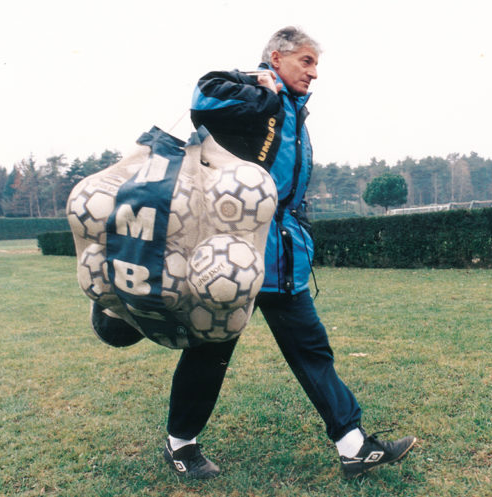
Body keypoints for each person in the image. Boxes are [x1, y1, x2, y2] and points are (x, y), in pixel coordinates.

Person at [162, 26, 416, 479]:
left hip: (282, 258)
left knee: (312, 351)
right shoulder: (253, 92)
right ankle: (180, 445)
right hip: (230, 260)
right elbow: (203, 96)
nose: (314, 74)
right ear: (276, 59)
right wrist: (263, 92)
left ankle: (353, 445)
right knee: (208, 353)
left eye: (316, 64)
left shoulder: (295, 112)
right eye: (306, 61)